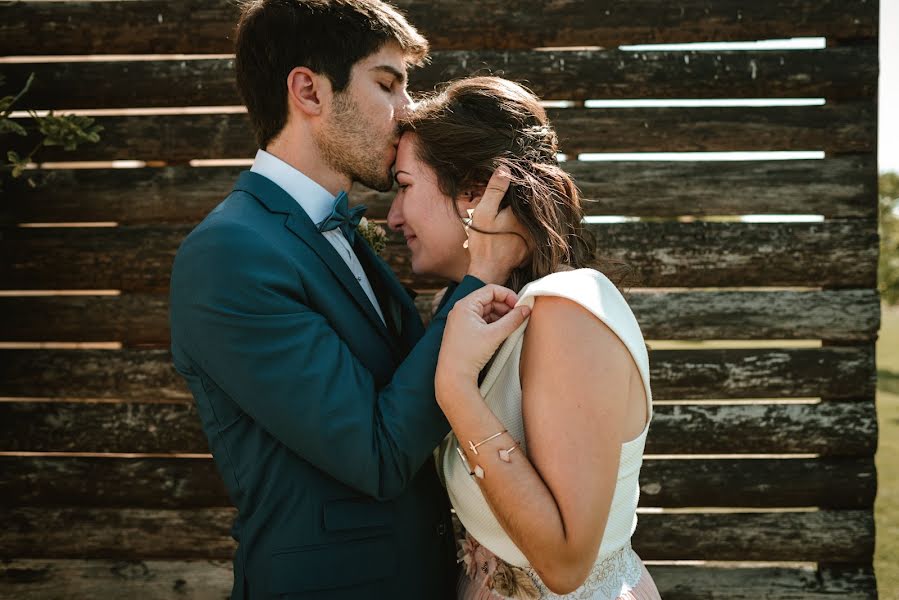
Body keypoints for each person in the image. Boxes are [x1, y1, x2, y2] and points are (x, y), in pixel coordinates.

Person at [168, 3, 528, 598]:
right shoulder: (229, 255)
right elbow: (378, 455)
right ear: (308, 90)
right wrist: (479, 277)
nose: (408, 110)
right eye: (387, 84)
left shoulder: (336, 233)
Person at [386, 77, 662, 599]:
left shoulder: (567, 311)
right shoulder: (470, 312)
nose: (393, 216)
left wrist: (455, 390)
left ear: (475, 191)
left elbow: (563, 564)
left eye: (403, 185)